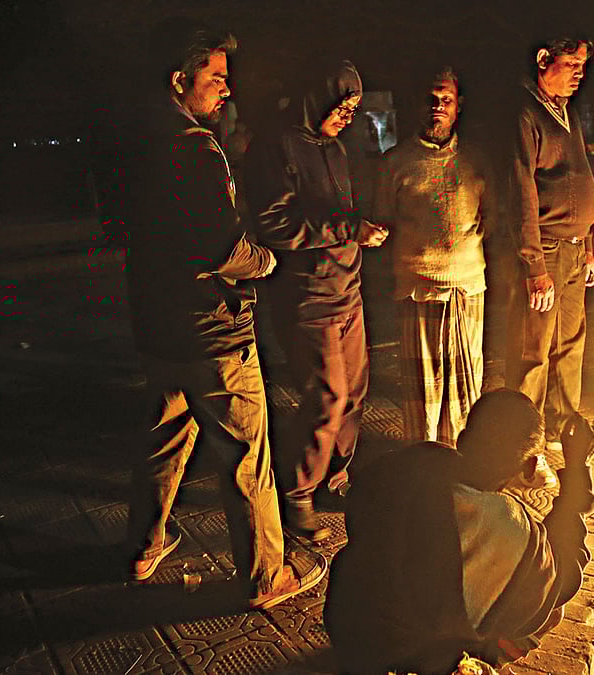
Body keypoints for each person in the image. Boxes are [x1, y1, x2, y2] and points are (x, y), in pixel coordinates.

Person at [112, 23, 325, 610]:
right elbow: (222, 248)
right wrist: (266, 262)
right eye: (216, 78)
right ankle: (267, 575)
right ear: (179, 80)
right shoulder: (192, 147)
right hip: (211, 328)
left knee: (165, 437)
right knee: (246, 455)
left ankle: (143, 546)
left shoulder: (138, 142)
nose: (227, 89)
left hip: (159, 322)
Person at [324, 390, 594, 674]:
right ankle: (467, 663)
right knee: (548, 608)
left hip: (348, 629)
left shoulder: (414, 459)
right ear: (530, 467)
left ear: (462, 439)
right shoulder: (510, 528)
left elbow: (359, 507)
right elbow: (565, 575)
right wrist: (578, 469)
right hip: (407, 664)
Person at [244, 58, 388, 541]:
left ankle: (334, 478)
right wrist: (347, 229)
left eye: (353, 109)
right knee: (327, 398)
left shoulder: (337, 149)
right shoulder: (276, 147)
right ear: (315, 97)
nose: (346, 117)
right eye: (341, 105)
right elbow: (276, 224)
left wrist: (363, 227)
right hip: (307, 296)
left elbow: (341, 210)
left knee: (355, 395)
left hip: (348, 290)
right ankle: (297, 491)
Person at [374, 66, 487, 445]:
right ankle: (423, 462)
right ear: (417, 105)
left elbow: (492, 217)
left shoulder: (476, 161)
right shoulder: (395, 163)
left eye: (446, 99)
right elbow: (384, 220)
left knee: (467, 390)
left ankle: (464, 457)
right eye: (431, 99)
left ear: (458, 106)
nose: (438, 106)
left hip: (468, 289)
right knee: (423, 394)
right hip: (417, 290)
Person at [506, 37, 594, 487]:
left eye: (583, 65)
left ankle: (565, 430)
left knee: (571, 343)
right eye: (571, 63)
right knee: (534, 353)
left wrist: (588, 246)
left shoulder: (567, 112)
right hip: (545, 250)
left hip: (574, 249)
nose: (579, 73)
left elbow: (580, 176)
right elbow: (522, 191)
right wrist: (535, 267)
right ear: (543, 61)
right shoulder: (526, 115)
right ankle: (526, 450)